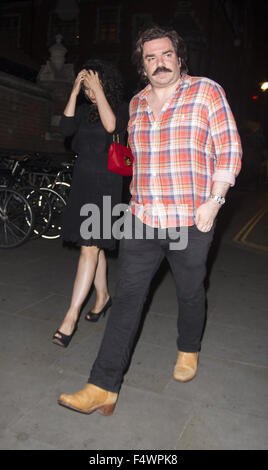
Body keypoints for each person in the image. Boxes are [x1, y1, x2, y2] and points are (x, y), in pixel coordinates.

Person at [58, 25, 242, 413]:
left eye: (166, 54)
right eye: (150, 57)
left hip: (192, 219)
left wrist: (214, 200)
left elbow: (229, 148)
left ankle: (188, 346)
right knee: (126, 300)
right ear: (142, 66)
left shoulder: (206, 91)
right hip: (143, 220)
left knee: (190, 291)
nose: (160, 62)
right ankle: (102, 387)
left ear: (179, 57)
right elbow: (135, 162)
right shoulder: (138, 104)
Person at [52, 59, 129, 347]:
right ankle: (104, 297)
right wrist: (73, 91)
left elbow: (111, 126)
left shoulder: (121, 107)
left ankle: (70, 317)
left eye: (91, 86)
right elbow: (65, 130)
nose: (88, 92)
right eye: (85, 88)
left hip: (106, 187)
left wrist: (99, 90)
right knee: (91, 247)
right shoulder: (82, 111)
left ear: (105, 83)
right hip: (83, 184)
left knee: (89, 247)